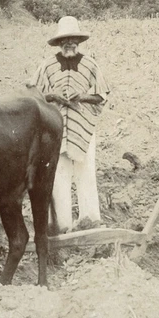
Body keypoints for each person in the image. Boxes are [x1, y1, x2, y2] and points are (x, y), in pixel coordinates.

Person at [29, 16, 111, 235]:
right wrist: (52, 96)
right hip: (54, 131)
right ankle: (61, 225)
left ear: (79, 40)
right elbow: (33, 95)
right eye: (64, 39)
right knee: (58, 176)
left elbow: (102, 96)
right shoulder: (46, 66)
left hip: (84, 129)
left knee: (86, 174)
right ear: (58, 42)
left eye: (73, 38)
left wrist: (82, 96)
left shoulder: (90, 65)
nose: (69, 43)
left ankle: (91, 222)